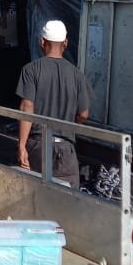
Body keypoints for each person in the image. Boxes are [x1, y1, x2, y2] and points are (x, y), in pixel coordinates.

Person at [16, 19, 90, 189]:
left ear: (42, 42)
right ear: (66, 43)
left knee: (35, 196)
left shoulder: (31, 70)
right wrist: (69, 124)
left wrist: (21, 146)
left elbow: (27, 107)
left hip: (38, 146)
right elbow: (84, 114)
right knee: (68, 200)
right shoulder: (77, 74)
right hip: (65, 149)